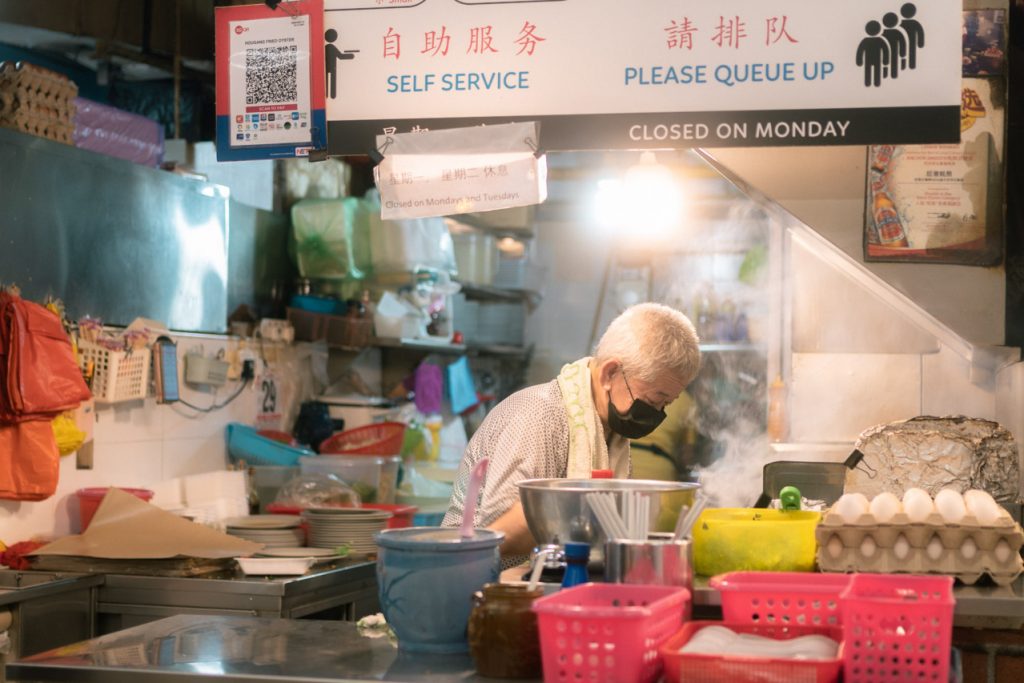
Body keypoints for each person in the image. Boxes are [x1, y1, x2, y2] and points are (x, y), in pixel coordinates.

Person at [441, 303, 701, 567]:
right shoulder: (538, 415)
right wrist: (577, 510)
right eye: (653, 400)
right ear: (610, 373)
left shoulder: (610, 432)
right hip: (471, 580)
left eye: (666, 405)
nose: (656, 413)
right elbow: (500, 538)